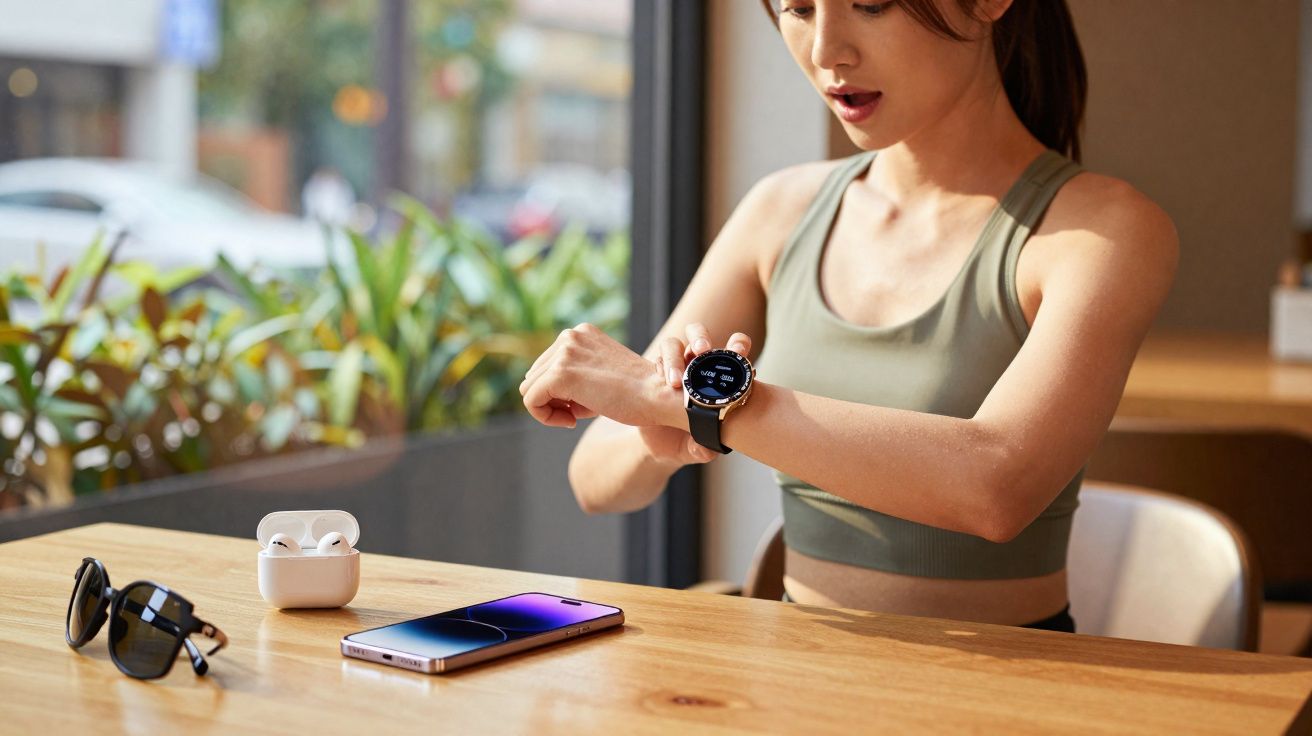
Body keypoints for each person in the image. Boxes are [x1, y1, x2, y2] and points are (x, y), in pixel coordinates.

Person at [518, 0, 1177, 633]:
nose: (827, 51)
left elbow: (996, 488)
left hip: (1006, 685)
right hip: (796, 675)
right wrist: (665, 430)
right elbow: (596, 479)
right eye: (800, 9)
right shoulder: (781, 210)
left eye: (872, 5)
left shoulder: (1102, 231)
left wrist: (705, 406)